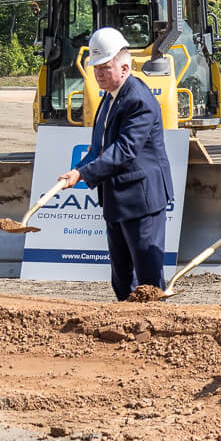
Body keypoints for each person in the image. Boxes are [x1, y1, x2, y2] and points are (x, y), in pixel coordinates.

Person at [58, 26, 173, 302]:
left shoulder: (138, 100)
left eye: (104, 68)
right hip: (117, 199)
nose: (98, 74)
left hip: (142, 200)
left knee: (148, 276)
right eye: (95, 68)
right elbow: (99, 148)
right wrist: (78, 169)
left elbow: (125, 150)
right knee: (121, 277)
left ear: (124, 67)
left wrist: (85, 173)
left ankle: (156, 327)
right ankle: (125, 326)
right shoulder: (108, 98)